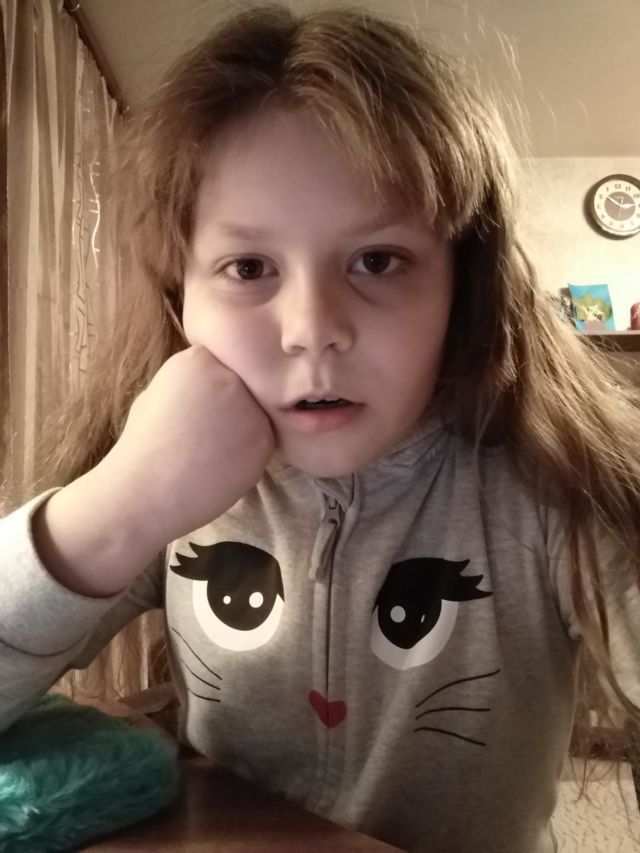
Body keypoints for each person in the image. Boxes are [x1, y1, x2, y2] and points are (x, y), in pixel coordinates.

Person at [1, 4, 639, 851]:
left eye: (377, 260)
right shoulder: (168, 478)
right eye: (248, 267)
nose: (311, 328)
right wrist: (118, 505)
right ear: (180, 300)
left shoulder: (553, 487)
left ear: (465, 289)